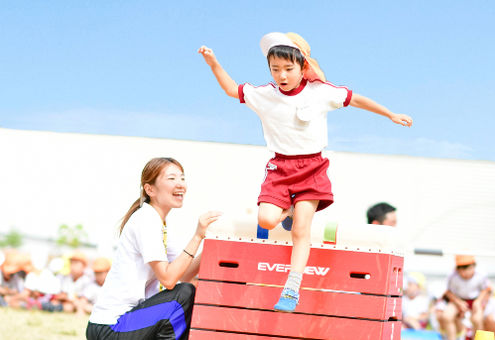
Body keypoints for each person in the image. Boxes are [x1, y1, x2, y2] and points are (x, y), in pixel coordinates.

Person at [198, 32, 412, 312]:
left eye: (288, 69)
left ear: (303, 67)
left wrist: (390, 114)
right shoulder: (265, 95)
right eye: (275, 69)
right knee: (266, 219)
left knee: (301, 231)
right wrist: (213, 62)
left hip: (312, 168)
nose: (282, 75)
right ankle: (285, 211)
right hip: (279, 168)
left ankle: (291, 288)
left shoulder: (320, 92)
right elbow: (230, 89)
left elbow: (357, 100)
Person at [86, 157, 221, 340]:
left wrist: (213, 246)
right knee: (184, 294)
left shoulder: (159, 223)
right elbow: (168, 279)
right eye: (171, 178)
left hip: (126, 321)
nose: (180, 184)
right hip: (111, 326)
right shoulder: (146, 220)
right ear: (150, 189)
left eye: (182, 178)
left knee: (184, 292)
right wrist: (197, 236)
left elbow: (182, 274)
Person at [436, 255, 492, 340]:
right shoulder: (452, 276)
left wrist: (478, 301)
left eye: (469, 269)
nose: (465, 273)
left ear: (473, 267)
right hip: (458, 299)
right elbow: (447, 291)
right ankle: (452, 338)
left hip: (475, 299)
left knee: (477, 319)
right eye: (462, 271)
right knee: (446, 316)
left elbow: (486, 289)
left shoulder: (481, 275)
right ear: (458, 270)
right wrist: (458, 302)